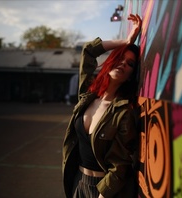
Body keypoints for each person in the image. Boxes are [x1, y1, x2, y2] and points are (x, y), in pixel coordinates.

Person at [62, 14, 142, 198]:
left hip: (104, 190)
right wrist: (127, 41)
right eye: (121, 57)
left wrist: (102, 195)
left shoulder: (123, 112)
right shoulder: (88, 95)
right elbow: (89, 50)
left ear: (131, 75)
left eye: (129, 64)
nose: (123, 63)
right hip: (77, 181)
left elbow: (120, 164)